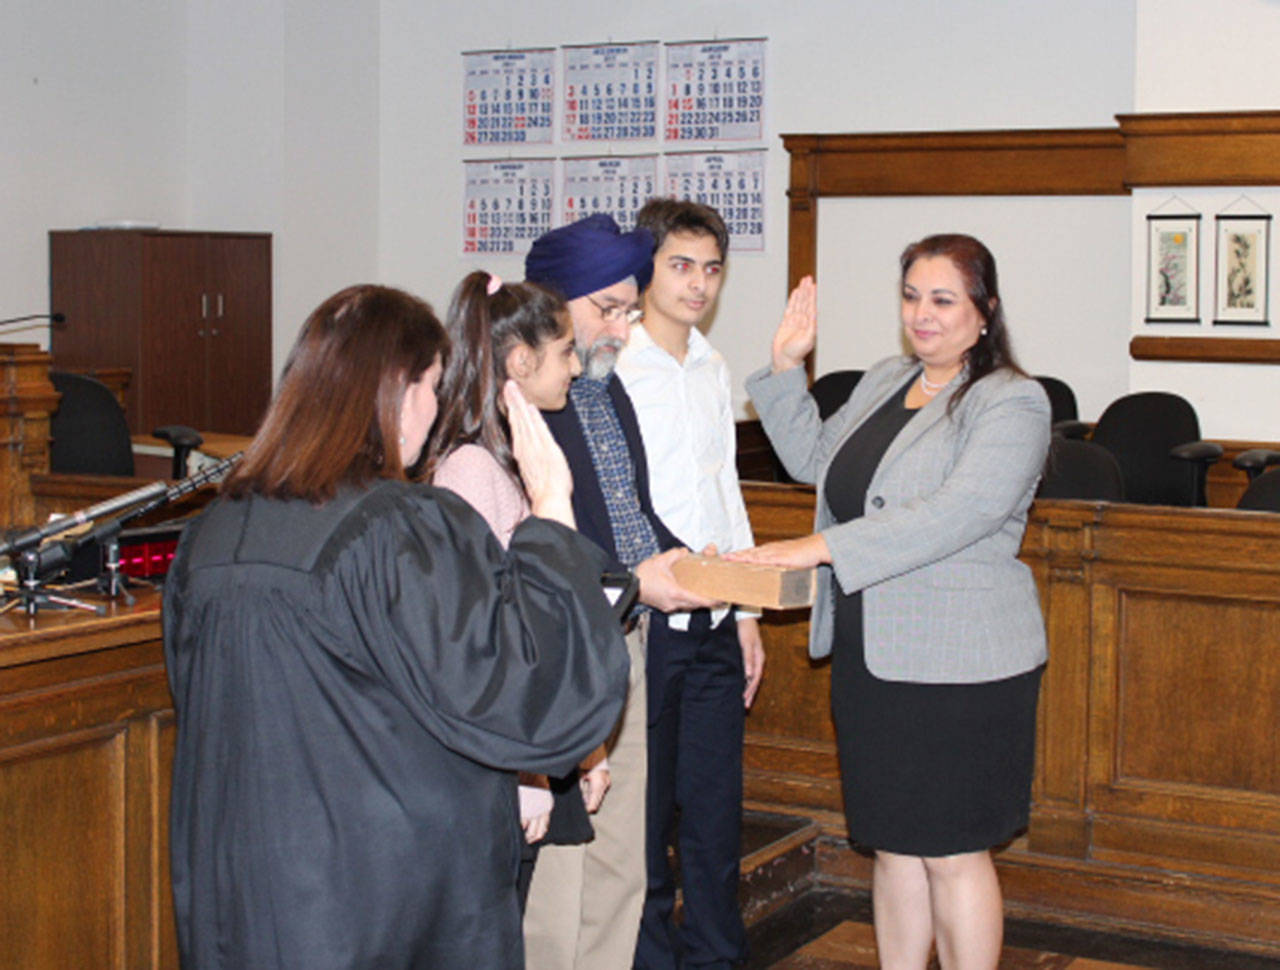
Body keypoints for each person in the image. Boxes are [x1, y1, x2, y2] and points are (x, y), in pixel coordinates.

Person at [163, 284, 630, 970]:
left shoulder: (212, 534)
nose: (437, 407)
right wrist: (552, 510)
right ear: (396, 388)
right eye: (433, 385)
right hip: (383, 894)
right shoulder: (398, 529)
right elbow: (527, 701)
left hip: (243, 886)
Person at [733, 235, 1050, 970]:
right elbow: (817, 464)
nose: (923, 315)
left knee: (953, 852)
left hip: (963, 665)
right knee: (895, 847)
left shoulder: (1013, 399)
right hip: (872, 653)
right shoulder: (883, 380)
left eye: (943, 299)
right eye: (911, 297)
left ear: (984, 310)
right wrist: (786, 367)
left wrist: (822, 549)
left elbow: (963, 510)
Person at [521, 213, 718, 970]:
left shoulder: (605, 389)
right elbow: (540, 551)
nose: (622, 327)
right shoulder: (522, 406)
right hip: (564, 657)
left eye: (629, 310)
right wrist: (643, 578)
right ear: (550, 306)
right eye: (608, 309)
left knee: (622, 861)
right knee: (563, 868)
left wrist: (694, 562)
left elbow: (632, 512)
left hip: (625, 643)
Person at [424, 269, 604, 906]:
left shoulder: (506, 457)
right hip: (500, 764)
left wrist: (581, 745)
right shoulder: (471, 469)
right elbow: (486, 644)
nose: (577, 368)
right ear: (521, 361)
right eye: (565, 353)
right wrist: (525, 771)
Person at [614, 198, 761, 970]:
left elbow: (724, 491)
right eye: (681, 265)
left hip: (714, 619)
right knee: (643, 811)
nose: (698, 284)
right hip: (647, 619)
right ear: (646, 268)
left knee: (712, 810)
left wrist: (744, 613)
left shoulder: (711, 365)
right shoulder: (611, 368)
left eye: (711, 269)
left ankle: (715, 955)